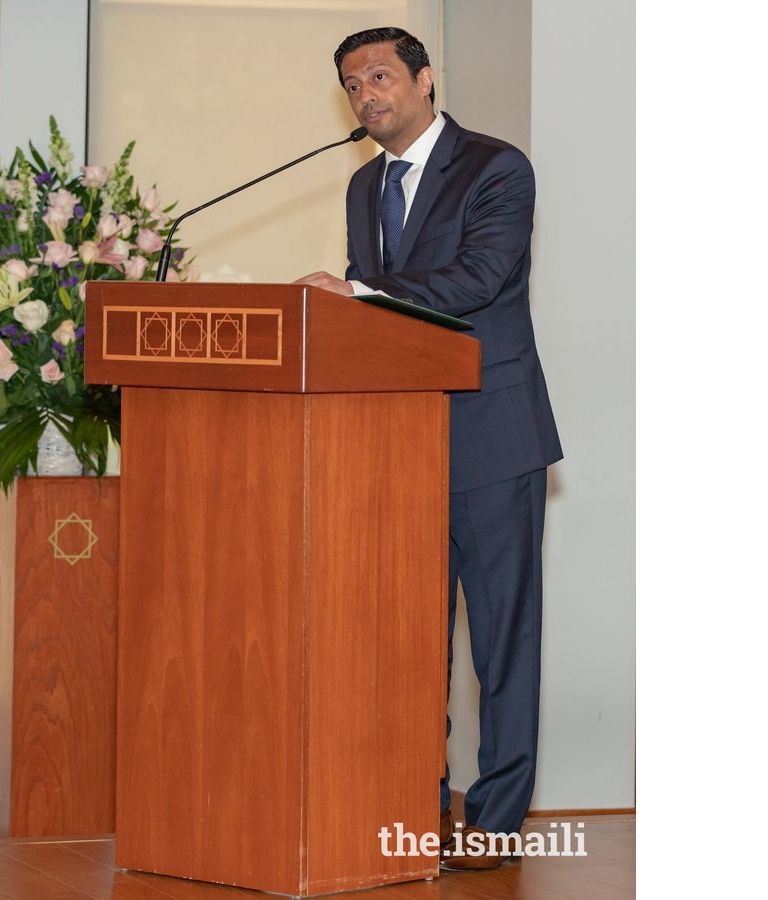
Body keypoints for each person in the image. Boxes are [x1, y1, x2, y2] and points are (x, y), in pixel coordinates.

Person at [296, 26, 563, 872]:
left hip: (491, 436)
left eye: (379, 75)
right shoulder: (361, 186)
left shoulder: (496, 167)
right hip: (397, 447)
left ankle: (495, 820)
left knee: (501, 644)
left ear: (424, 79)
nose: (365, 94)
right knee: (407, 642)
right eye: (351, 84)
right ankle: (411, 803)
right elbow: (372, 325)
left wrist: (360, 293)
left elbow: (480, 280)